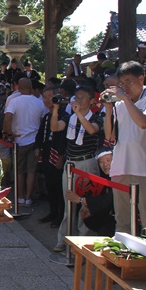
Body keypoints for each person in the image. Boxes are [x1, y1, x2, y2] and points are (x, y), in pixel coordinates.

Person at [103, 61, 146, 234]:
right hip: (120, 167)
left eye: (129, 82)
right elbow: (109, 136)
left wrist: (124, 99)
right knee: (122, 222)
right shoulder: (120, 104)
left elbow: (144, 123)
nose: (125, 87)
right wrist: (109, 109)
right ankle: (123, 251)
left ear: (141, 79)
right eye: (122, 83)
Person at [52, 85, 103, 251]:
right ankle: (63, 239)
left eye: (82, 98)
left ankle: (83, 241)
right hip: (70, 164)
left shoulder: (96, 118)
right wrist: (55, 109)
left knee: (86, 204)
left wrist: (79, 113)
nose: (78, 101)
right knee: (68, 204)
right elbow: (55, 127)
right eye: (76, 97)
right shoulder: (70, 118)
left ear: (91, 101)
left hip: (87, 162)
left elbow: (91, 130)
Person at [3, 78, 48, 205]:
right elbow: (43, 120)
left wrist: (9, 133)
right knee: (31, 171)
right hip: (34, 140)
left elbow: (7, 119)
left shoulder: (14, 101)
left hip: (19, 139)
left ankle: (20, 196)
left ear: (18, 87)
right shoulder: (39, 102)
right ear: (31, 88)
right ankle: (28, 197)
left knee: (19, 171)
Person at [35, 86, 70, 226]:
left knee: (58, 185)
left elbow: (64, 138)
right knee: (49, 184)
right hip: (47, 152)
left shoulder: (64, 115)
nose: (47, 99)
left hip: (58, 153)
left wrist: (61, 156)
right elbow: (40, 134)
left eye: (50, 96)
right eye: (45, 97)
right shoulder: (46, 116)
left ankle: (61, 215)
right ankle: (52, 212)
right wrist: (37, 147)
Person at [64, 150, 115, 237]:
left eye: (108, 160)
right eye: (101, 162)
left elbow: (107, 200)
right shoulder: (105, 177)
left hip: (123, 218)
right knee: (89, 217)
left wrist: (80, 200)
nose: (105, 164)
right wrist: (88, 209)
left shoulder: (120, 177)